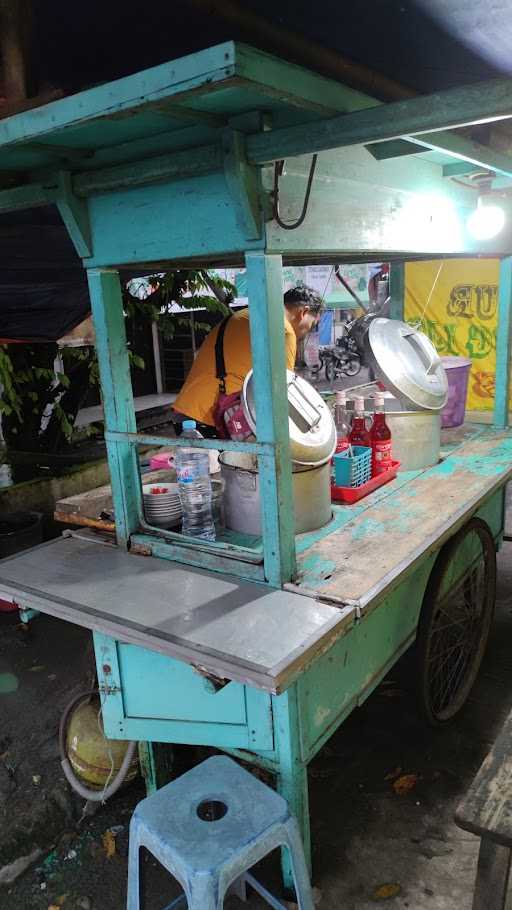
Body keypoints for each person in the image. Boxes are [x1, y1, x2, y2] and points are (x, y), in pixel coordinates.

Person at [172, 285, 323, 433]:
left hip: (186, 411)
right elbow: (283, 392)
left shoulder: (244, 315)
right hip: (214, 419)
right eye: (312, 325)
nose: (307, 331)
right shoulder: (282, 329)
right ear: (303, 312)